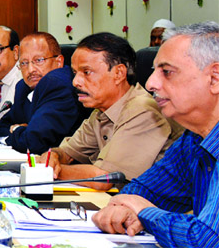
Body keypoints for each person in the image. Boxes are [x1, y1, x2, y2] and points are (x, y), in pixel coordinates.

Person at [92, 21, 219, 246]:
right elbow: (142, 189)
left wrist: (144, 212)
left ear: (215, 78)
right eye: (154, 71)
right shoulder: (193, 139)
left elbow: (206, 239)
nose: (150, 83)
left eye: (167, 72)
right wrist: (125, 207)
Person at [43, 33, 183, 190]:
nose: (76, 82)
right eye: (75, 73)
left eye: (86, 72)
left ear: (119, 74)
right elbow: (67, 153)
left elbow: (103, 179)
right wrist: (53, 157)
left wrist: (52, 170)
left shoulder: (143, 110)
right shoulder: (100, 111)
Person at [0, 32, 89, 153]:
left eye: (38, 60)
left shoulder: (58, 84)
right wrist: (22, 132)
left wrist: (15, 129)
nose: (30, 70)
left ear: (59, 62)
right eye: (24, 63)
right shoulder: (23, 87)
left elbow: (33, 142)